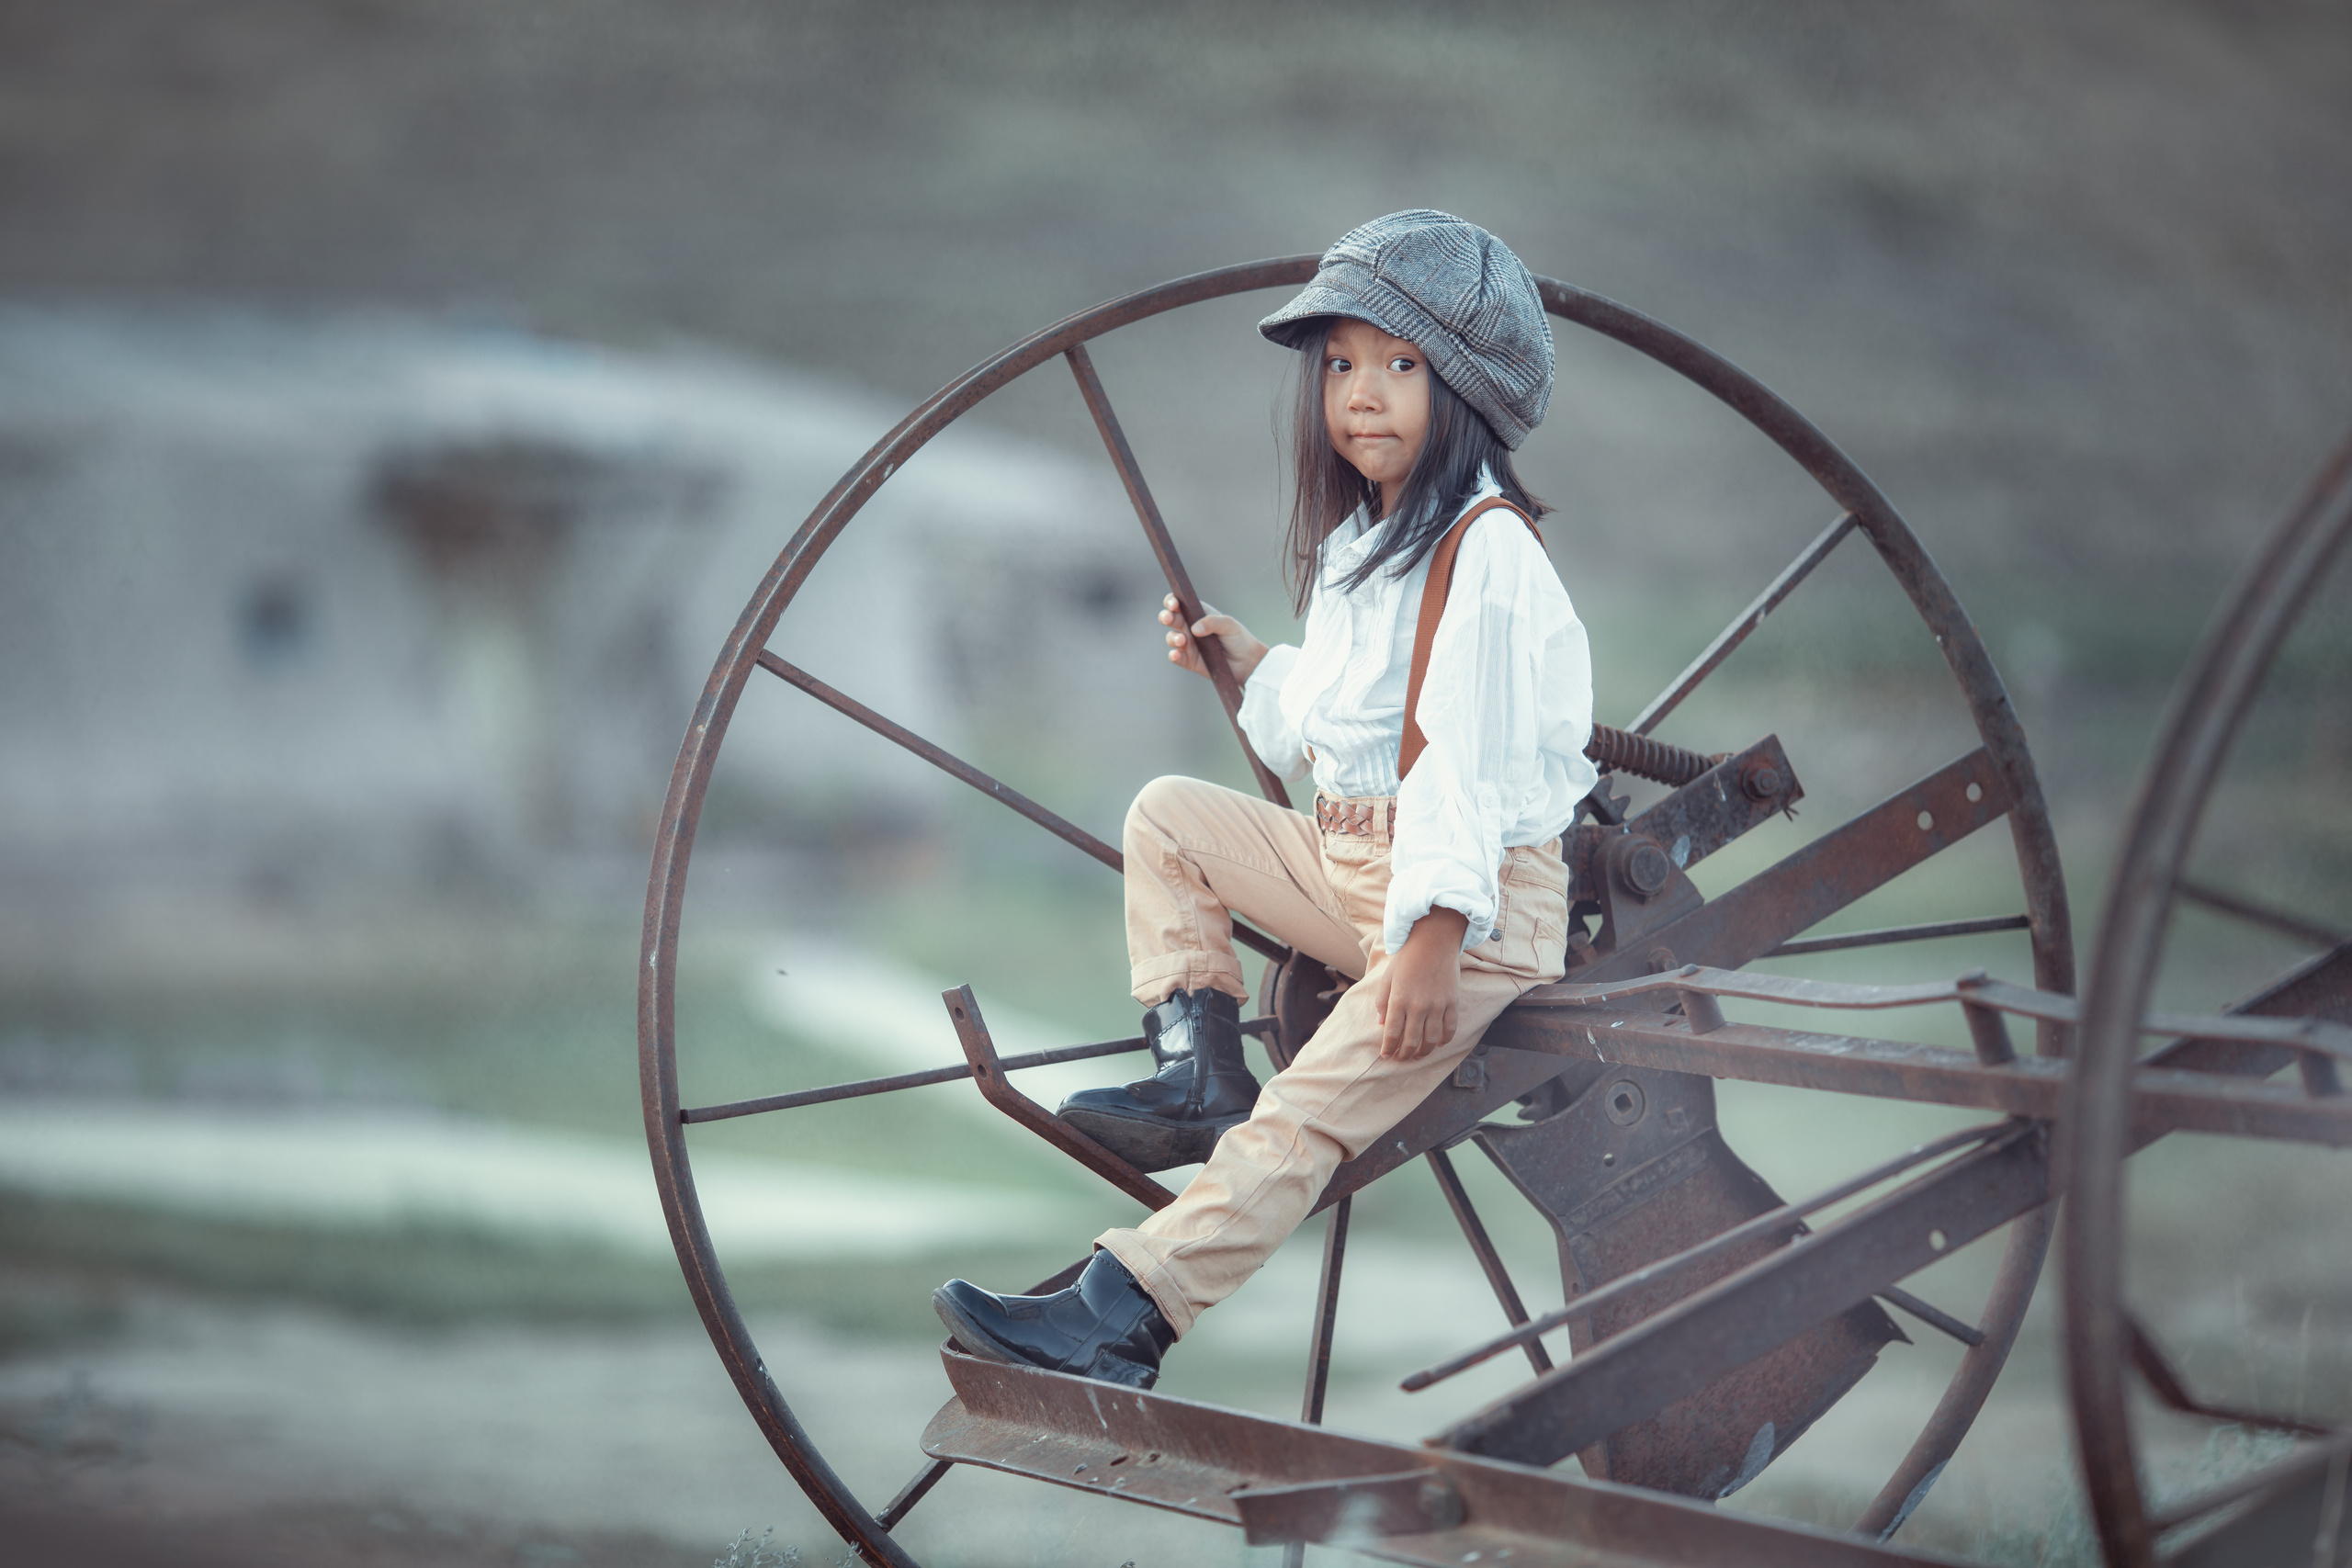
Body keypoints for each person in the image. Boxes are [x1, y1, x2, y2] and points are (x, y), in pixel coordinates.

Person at [932, 210, 1598, 1389]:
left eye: (1400, 365)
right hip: (1360, 864)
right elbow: (1342, 740)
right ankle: (1196, 1065)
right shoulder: (1368, 545)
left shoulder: (1486, 554)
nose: (1360, 394)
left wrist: (1438, 937)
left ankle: (1123, 1315)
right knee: (1170, 817)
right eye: (1339, 365)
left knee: (1303, 1117)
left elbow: (1458, 760)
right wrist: (1252, 669)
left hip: (1474, 901)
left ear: (1471, 391)